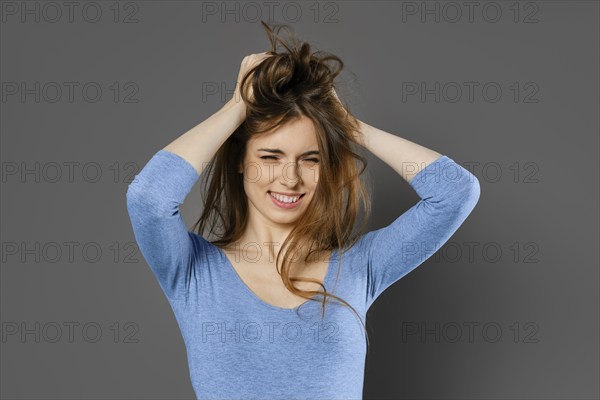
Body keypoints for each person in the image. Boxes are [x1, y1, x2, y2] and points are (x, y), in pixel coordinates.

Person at [126, 22, 480, 400]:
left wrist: (347, 126)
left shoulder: (360, 266)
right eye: (270, 156)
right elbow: (149, 197)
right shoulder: (193, 272)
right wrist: (237, 108)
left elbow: (454, 191)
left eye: (310, 159)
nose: (290, 178)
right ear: (241, 161)